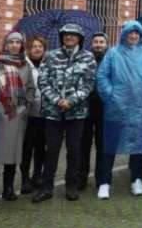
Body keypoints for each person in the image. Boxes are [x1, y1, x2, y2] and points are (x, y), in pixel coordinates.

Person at [33, 25, 96, 203]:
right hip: (53, 113)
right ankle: (46, 187)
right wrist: (57, 100)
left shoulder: (88, 57)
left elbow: (89, 84)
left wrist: (72, 100)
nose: (68, 37)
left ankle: (71, 186)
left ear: (79, 38)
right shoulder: (51, 56)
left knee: (74, 150)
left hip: (76, 113)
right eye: (66, 35)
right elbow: (42, 81)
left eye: (72, 35)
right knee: (51, 150)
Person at [96, 21, 142, 199]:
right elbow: (102, 76)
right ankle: (105, 182)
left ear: (141, 35)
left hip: (140, 107)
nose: (134, 36)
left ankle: (136, 179)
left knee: (138, 144)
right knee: (110, 144)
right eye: (131, 32)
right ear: (125, 34)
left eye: (137, 33)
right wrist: (110, 96)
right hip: (117, 106)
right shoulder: (113, 53)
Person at [0, 31, 37, 204]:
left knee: (14, 152)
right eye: (11, 42)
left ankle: (8, 188)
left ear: (21, 45)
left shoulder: (25, 65)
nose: (14, 45)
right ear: (5, 44)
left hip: (18, 115)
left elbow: (30, 88)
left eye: (18, 42)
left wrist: (25, 105)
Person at [78, 32, 108, 192]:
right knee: (84, 144)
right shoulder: (85, 60)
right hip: (86, 106)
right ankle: (81, 178)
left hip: (104, 108)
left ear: (106, 44)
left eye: (101, 42)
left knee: (102, 145)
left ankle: (101, 179)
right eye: (95, 42)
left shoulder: (111, 61)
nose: (98, 45)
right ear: (91, 44)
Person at [20, 34, 48, 195]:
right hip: (27, 113)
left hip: (44, 113)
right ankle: (24, 178)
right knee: (26, 147)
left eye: (40, 46)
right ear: (28, 49)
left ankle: (38, 175)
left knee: (41, 147)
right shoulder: (23, 64)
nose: (37, 49)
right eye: (34, 46)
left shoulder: (49, 63)